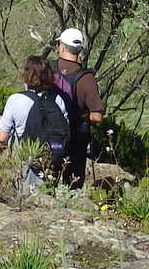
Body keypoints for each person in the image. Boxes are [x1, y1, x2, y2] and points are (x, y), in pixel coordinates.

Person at [0, 55, 72, 192]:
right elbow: (65, 130)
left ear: (26, 75)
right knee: (46, 192)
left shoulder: (15, 100)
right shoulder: (58, 100)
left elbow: (2, 138)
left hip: (25, 157)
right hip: (51, 156)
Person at [52, 27, 104, 187]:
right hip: (76, 138)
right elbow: (97, 117)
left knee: (46, 180)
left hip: (50, 133)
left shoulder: (47, 69)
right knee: (73, 185)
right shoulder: (87, 78)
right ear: (79, 50)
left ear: (61, 46)